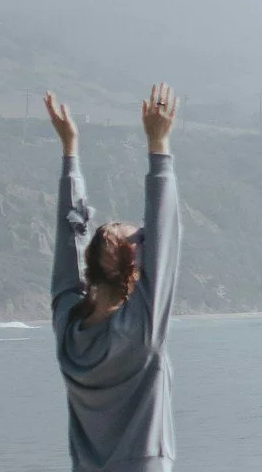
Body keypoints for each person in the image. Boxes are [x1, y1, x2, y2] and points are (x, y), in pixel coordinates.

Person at [47, 85, 183, 472]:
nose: (145, 236)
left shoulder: (68, 329)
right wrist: (159, 146)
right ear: (134, 268)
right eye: (139, 239)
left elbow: (66, 242)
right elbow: (166, 232)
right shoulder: (141, 329)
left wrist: (70, 152)